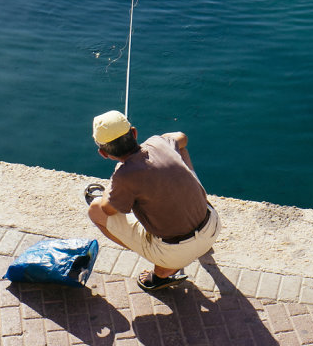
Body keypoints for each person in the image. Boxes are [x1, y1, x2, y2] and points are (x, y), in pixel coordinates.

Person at [86, 110, 221, 292]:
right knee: (180, 150)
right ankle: (187, 249)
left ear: (103, 153)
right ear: (134, 133)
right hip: (212, 226)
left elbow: (107, 209)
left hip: (176, 254)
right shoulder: (158, 142)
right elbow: (182, 138)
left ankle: (162, 271)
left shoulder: (122, 176)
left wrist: (116, 177)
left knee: (94, 209)